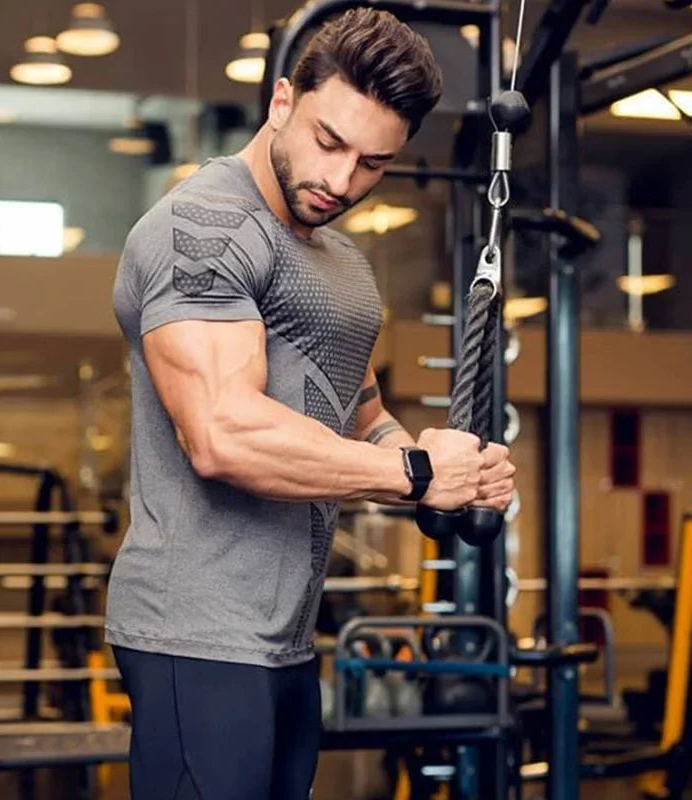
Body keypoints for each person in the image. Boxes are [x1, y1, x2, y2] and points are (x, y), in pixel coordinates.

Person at [105, 7, 516, 800]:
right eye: (330, 143)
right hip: (198, 633)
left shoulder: (340, 260)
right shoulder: (206, 230)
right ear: (284, 101)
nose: (340, 180)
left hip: (285, 638)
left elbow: (356, 410)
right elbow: (223, 435)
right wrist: (415, 472)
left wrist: (443, 465)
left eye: (372, 163)